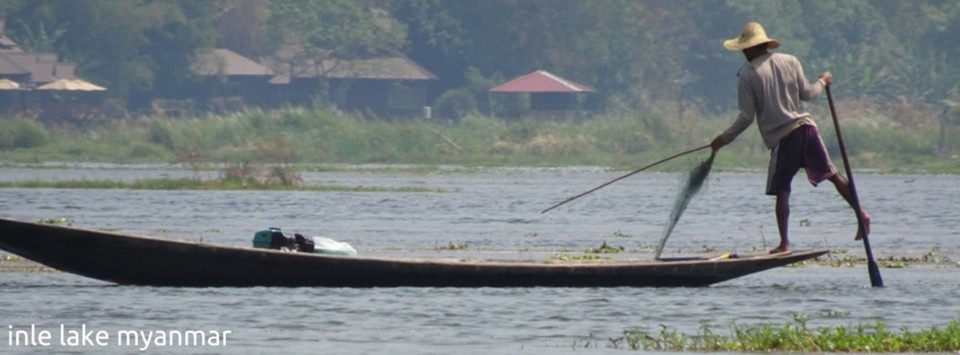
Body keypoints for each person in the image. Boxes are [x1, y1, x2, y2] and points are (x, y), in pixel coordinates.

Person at [709, 22, 869, 254]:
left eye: (745, 48)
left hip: (785, 137)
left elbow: (746, 117)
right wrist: (822, 82)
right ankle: (861, 213)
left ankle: (784, 243)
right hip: (806, 128)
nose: (743, 52)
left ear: (754, 48)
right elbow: (808, 94)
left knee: (782, 189)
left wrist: (722, 139)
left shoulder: (748, 76)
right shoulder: (790, 61)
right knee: (833, 175)